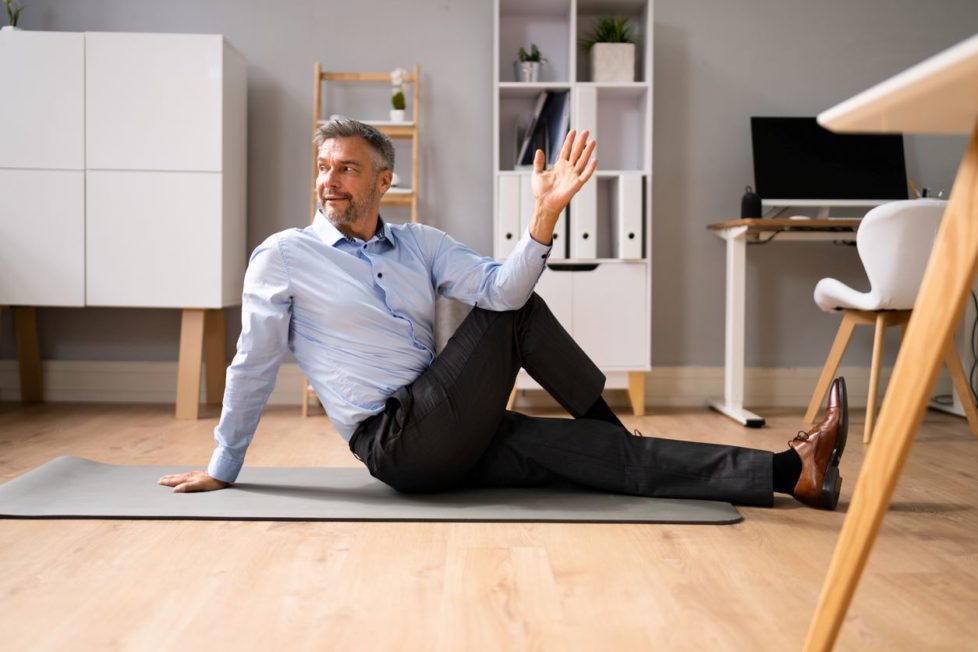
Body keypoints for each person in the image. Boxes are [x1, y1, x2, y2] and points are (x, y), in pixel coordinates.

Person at [159, 117, 848, 510]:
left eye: (346, 168)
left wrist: (543, 219)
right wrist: (226, 462)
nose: (328, 181)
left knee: (595, 451)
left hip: (448, 425)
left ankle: (791, 474)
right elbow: (252, 361)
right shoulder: (283, 257)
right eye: (323, 167)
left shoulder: (420, 243)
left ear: (381, 181)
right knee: (514, 317)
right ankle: (610, 433)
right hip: (396, 441)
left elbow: (503, 285)